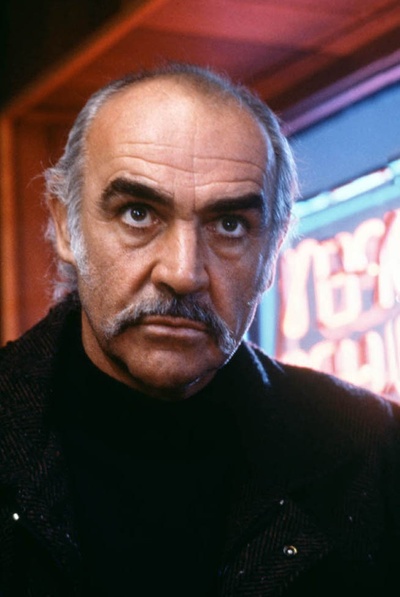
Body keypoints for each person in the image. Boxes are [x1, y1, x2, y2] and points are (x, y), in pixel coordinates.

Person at [0, 62, 399, 597]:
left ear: (272, 249)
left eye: (229, 225)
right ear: (66, 227)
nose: (183, 272)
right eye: (138, 213)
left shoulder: (375, 452)